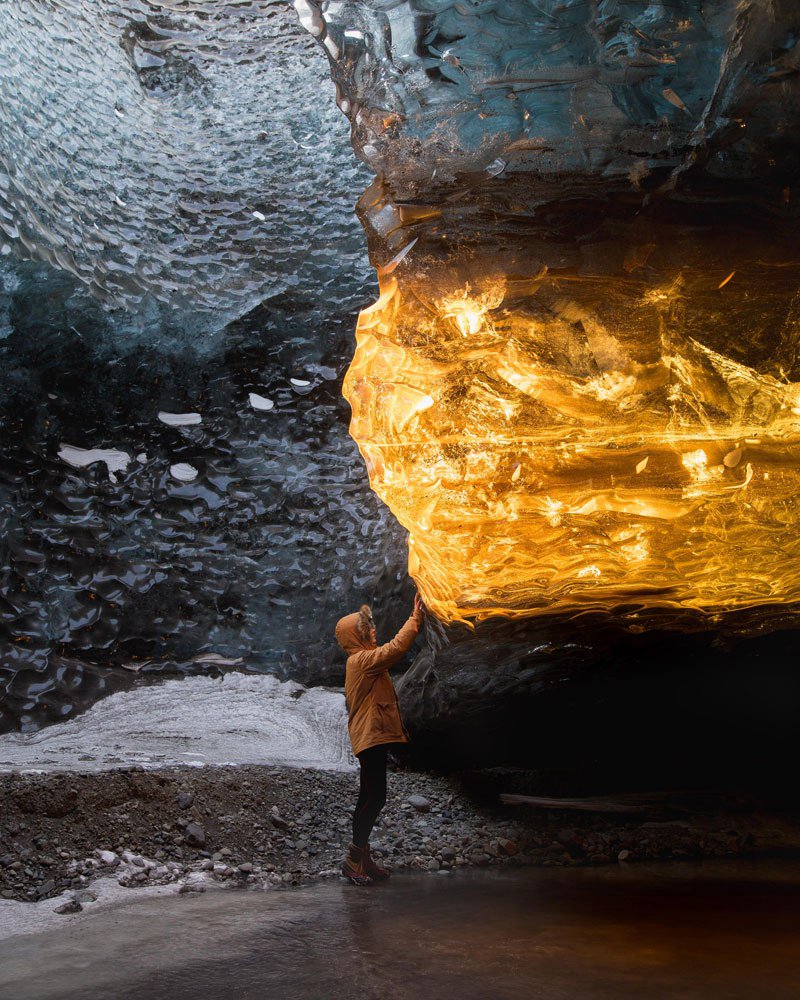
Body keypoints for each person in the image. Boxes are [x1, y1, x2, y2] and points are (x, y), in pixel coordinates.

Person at [334, 593, 424, 885]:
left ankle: (362, 858)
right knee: (375, 796)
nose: (372, 630)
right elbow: (395, 649)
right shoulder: (360, 661)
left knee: (370, 796)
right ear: (356, 636)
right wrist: (416, 618)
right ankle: (353, 860)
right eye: (366, 628)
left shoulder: (360, 660)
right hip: (370, 737)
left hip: (372, 736)